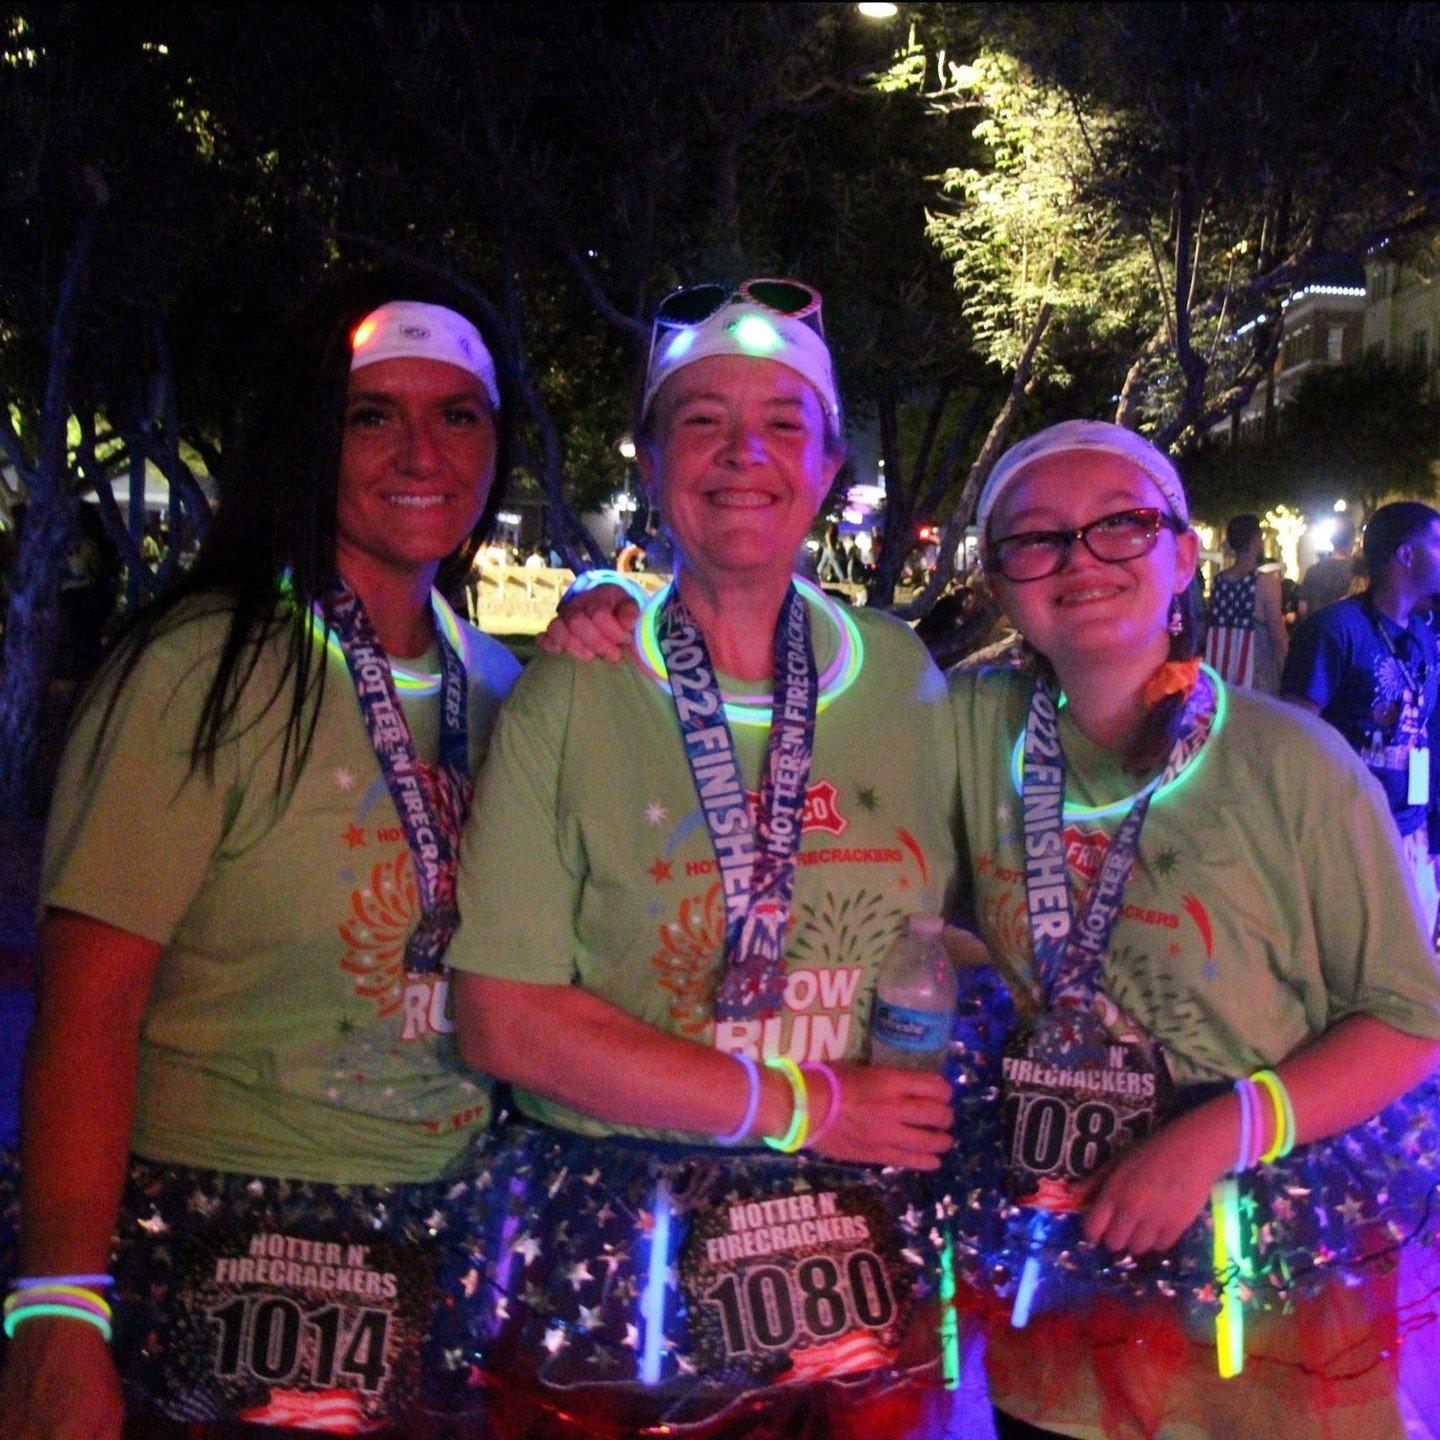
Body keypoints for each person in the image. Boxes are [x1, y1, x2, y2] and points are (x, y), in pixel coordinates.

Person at [0, 274, 521, 1438]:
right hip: (221, 1250)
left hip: (448, 1256)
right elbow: (85, 1012)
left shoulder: (503, 690)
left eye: (459, 414)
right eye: (371, 414)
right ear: (306, 437)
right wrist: (55, 1310)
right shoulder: (200, 668)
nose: (419, 451)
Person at [448, 279, 962, 1437]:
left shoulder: (908, 681)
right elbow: (504, 1024)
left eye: (785, 423)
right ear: (653, 460)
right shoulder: (574, 689)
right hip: (622, 1237)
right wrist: (800, 1106)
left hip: (858, 1239)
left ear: (828, 467)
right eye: (702, 421)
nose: (745, 455)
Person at [944, 422, 1440, 1439]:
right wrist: (618, 621)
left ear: (1182, 556)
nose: (1080, 559)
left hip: (1254, 1281)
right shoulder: (959, 730)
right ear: (1000, 583)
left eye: (1121, 526)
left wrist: (1217, 1135)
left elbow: (1410, 1017)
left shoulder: (1293, 762)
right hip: (1059, 1272)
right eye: (1037, 539)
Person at [1281, 501, 1440, 938]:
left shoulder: (1424, 634)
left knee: (1413, 979)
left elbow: (1429, 732)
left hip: (1414, 834)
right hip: (1350, 839)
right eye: (1438, 542)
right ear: (1406, 555)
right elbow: (1296, 737)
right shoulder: (1336, 629)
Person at [1202, 512, 1287, 692]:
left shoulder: (1219, 582)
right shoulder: (1266, 583)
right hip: (1256, 677)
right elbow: (1278, 636)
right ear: (1255, 541)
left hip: (1221, 675)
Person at [1298, 515, 1357, 617]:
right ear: (1352, 541)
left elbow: (1302, 609)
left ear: (1332, 540)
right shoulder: (1358, 572)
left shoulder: (1313, 571)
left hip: (1318, 629)